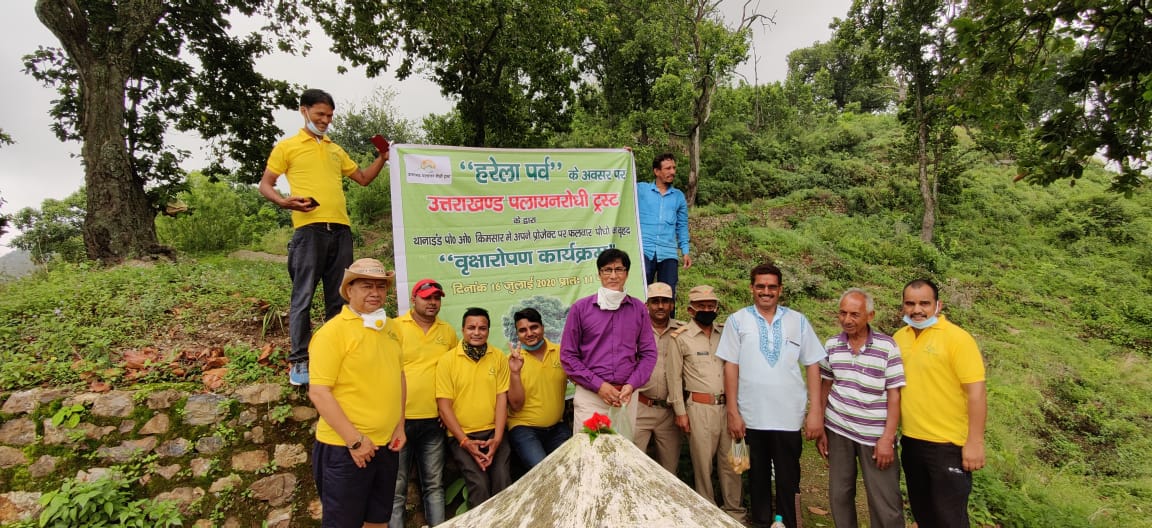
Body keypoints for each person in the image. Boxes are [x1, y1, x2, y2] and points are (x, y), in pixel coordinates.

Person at [259, 88, 389, 386]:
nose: (325, 120)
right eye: (320, 114)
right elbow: (265, 185)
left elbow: (364, 179)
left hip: (340, 231)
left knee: (339, 298)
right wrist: (284, 201)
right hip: (309, 231)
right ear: (304, 110)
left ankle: (334, 357)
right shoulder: (288, 147)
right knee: (302, 297)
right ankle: (299, 360)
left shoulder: (334, 148)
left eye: (329, 116)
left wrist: (382, 158)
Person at [717, 262, 825, 528]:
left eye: (772, 287)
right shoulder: (737, 321)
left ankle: (787, 522)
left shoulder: (797, 321)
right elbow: (730, 366)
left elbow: (813, 363)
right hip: (751, 416)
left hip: (788, 416)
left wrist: (815, 410)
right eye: (761, 286)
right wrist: (733, 411)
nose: (766, 291)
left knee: (789, 477)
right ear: (752, 288)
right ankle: (763, 522)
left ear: (780, 289)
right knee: (756, 477)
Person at [308, 258, 406, 528]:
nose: (375, 292)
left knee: (378, 521)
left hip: (386, 445)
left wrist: (399, 425)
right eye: (366, 286)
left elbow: (398, 376)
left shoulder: (393, 329)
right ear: (349, 290)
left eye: (380, 286)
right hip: (345, 448)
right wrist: (355, 441)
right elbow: (319, 393)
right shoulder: (332, 333)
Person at [894, 279, 987, 528]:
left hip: (948, 445)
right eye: (910, 303)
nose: (917, 310)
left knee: (949, 519)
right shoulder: (898, 339)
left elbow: (977, 393)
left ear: (938, 305)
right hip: (912, 442)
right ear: (903, 306)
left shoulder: (958, 339)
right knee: (923, 514)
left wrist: (975, 442)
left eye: (925, 303)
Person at [817, 288, 906, 528]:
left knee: (885, 501)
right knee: (839, 494)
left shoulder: (887, 347)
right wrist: (821, 427)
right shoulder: (833, 345)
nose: (847, 320)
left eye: (855, 314)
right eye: (843, 313)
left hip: (875, 437)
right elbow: (826, 385)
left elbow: (894, 395)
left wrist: (888, 438)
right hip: (839, 430)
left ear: (870, 316)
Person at [560, 248, 658, 439]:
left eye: (619, 269)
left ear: (627, 274)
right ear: (599, 274)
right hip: (591, 397)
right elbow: (568, 356)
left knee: (622, 457)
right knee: (591, 456)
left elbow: (648, 354)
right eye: (607, 270)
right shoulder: (580, 309)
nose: (613, 275)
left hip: (625, 397)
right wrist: (599, 386)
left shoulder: (638, 309)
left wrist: (632, 384)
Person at [671, 284, 744, 518]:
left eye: (711, 306)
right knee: (703, 465)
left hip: (730, 409)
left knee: (734, 462)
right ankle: (708, 513)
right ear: (690, 310)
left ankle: (735, 512)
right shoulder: (680, 338)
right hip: (699, 408)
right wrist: (680, 411)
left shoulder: (727, 335)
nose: (707, 309)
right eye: (701, 306)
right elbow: (674, 377)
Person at [390, 279, 457, 527]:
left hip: (434, 421)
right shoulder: (394, 328)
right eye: (427, 297)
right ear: (413, 299)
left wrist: (449, 410)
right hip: (398, 421)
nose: (432, 302)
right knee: (396, 487)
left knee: (434, 484)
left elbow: (455, 373)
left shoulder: (447, 332)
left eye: (436, 298)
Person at [436, 307, 512, 507]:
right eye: (471, 327)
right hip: (463, 436)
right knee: (478, 485)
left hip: (493, 434)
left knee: (503, 481)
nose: (477, 332)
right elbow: (444, 406)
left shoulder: (498, 357)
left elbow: (502, 399)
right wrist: (465, 441)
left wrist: (497, 438)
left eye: (482, 328)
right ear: (462, 329)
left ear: (488, 330)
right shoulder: (447, 361)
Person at [506, 307, 572, 469]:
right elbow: (515, 405)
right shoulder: (512, 361)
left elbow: (581, 380)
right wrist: (515, 373)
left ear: (542, 328)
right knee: (543, 472)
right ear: (517, 334)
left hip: (557, 427)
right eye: (522, 330)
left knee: (572, 467)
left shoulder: (561, 353)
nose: (529, 333)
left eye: (533, 327)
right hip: (524, 429)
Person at [633, 282, 685, 473]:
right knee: (633, 466)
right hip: (640, 407)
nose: (660, 306)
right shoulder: (635, 330)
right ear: (647, 305)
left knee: (669, 470)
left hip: (670, 412)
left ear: (672, 304)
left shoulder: (683, 331)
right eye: (655, 302)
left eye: (665, 301)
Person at [637, 153, 691, 297]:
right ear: (657, 171)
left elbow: (682, 225)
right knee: (641, 293)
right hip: (644, 250)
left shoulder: (678, 196)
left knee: (668, 294)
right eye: (667, 168)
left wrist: (685, 250)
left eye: (673, 168)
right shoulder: (641, 190)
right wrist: (624, 155)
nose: (672, 172)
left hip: (668, 252)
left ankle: (669, 321)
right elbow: (622, 179)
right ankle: (641, 320)